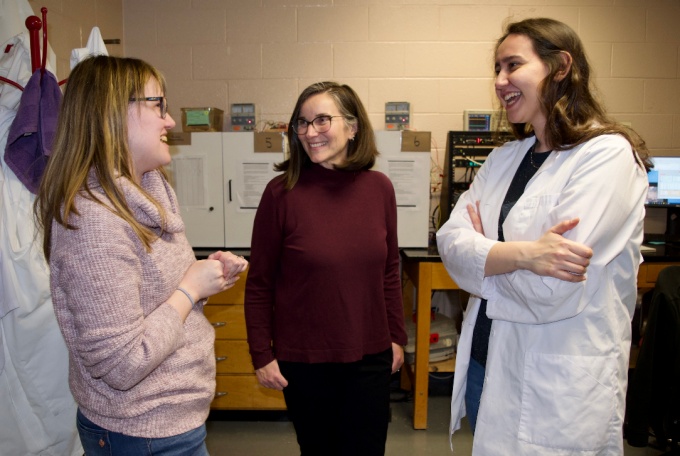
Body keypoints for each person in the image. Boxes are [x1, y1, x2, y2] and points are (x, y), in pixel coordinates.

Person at [436, 17, 651, 454]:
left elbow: (550, 287)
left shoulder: (607, 156)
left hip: (559, 380)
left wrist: (486, 255)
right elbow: (450, 243)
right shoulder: (502, 159)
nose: (500, 81)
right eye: (496, 68)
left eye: (512, 65)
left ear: (560, 66)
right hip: (485, 365)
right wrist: (523, 254)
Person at [34, 55, 248, 455]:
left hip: (170, 422)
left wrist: (206, 276)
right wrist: (189, 288)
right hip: (141, 433)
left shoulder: (148, 194)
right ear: (112, 114)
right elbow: (122, 364)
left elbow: (153, 295)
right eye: (158, 106)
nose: (169, 122)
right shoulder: (95, 221)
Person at [244, 81, 407, 456]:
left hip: (370, 357)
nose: (309, 131)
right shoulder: (280, 194)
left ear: (352, 128)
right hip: (305, 361)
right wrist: (261, 354)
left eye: (321, 120)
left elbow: (388, 270)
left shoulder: (379, 188)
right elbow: (260, 284)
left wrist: (396, 336)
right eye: (301, 123)